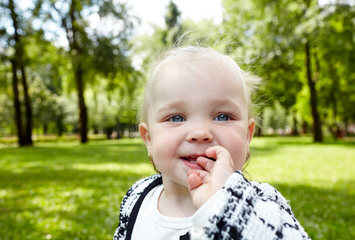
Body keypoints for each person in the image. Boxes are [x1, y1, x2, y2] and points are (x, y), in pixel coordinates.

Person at [113, 46, 310, 240]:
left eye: (223, 116)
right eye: (176, 118)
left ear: (247, 136)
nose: (200, 133)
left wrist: (225, 204)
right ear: (149, 139)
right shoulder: (137, 197)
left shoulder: (262, 204)